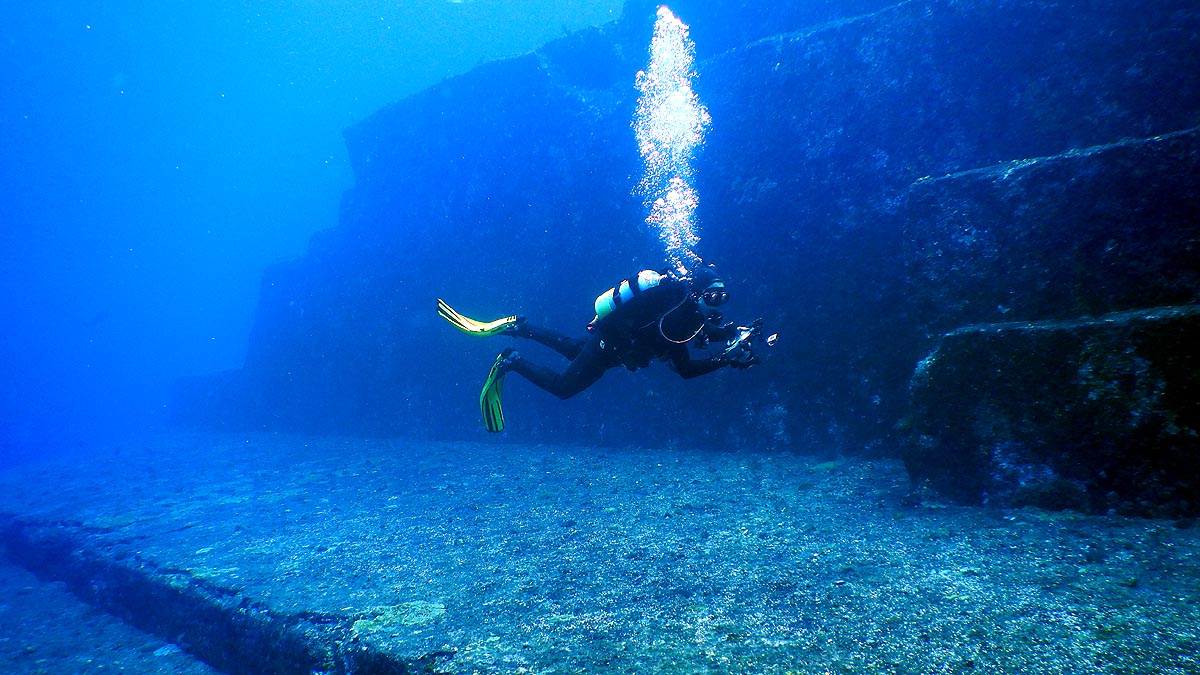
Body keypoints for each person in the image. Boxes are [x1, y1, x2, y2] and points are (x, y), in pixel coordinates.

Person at [438, 264, 769, 432]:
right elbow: (685, 370)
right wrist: (726, 359)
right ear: (698, 292)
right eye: (713, 297)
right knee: (564, 387)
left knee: (571, 349)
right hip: (613, 341)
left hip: (614, 339)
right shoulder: (679, 312)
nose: (717, 304)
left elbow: (701, 331)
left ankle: (520, 328)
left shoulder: (683, 308)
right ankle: (510, 361)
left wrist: (728, 335)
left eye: (722, 299)